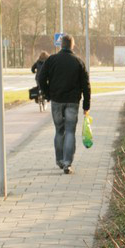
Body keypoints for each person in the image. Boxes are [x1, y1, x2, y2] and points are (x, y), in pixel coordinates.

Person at [38, 35, 91, 174]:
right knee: (70, 132)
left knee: (59, 131)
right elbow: (86, 85)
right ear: (72, 45)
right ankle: (67, 163)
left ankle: (59, 160)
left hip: (56, 100)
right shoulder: (78, 62)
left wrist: (48, 94)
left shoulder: (51, 60)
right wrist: (86, 105)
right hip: (72, 102)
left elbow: (41, 78)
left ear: (61, 45)